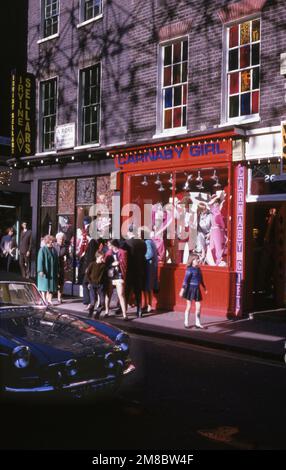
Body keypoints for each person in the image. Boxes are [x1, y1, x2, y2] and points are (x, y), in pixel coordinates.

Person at [179, 254, 207, 329]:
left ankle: (197, 323)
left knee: (199, 306)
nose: (198, 260)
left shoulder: (198, 269)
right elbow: (185, 281)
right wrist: (182, 290)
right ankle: (186, 322)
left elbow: (201, 279)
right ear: (192, 261)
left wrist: (204, 288)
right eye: (196, 259)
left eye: (198, 259)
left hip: (197, 289)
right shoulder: (189, 270)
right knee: (189, 306)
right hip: (190, 289)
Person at [125, 226, 147, 318]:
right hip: (139, 269)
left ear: (130, 232)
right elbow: (144, 255)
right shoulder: (142, 243)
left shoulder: (127, 243)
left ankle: (124, 309)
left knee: (127, 291)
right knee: (138, 291)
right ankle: (139, 310)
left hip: (129, 270)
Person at [105, 239, 128, 320]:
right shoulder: (108, 253)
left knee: (121, 294)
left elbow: (125, 264)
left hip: (119, 275)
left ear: (113, 245)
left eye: (109, 245)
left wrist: (119, 262)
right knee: (108, 294)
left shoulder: (122, 252)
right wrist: (112, 264)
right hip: (110, 276)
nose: (108, 246)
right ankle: (106, 311)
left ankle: (125, 315)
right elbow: (106, 264)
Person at [140, 227, 158, 314]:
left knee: (148, 286)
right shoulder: (150, 241)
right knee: (146, 287)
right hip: (150, 267)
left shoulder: (147, 242)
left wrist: (141, 257)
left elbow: (149, 254)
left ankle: (149, 305)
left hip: (149, 267)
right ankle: (146, 304)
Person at [37, 235, 59, 305]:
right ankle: (43, 299)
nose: (52, 243)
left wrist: (58, 271)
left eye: (53, 242)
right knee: (44, 286)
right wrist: (40, 270)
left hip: (53, 271)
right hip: (45, 271)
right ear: (47, 242)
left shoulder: (54, 250)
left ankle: (49, 300)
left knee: (51, 286)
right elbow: (40, 260)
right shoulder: (42, 250)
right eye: (51, 242)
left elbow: (57, 261)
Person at [86, 250, 107, 318]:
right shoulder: (92, 264)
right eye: (101, 258)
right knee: (93, 301)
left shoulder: (103, 266)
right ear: (97, 257)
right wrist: (89, 282)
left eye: (103, 258)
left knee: (102, 302)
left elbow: (105, 275)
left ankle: (97, 314)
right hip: (92, 284)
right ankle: (90, 314)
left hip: (100, 285)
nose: (102, 259)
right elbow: (87, 273)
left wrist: (104, 284)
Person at [53, 232, 68, 304]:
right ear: (57, 239)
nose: (61, 240)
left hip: (62, 266)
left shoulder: (65, 247)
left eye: (62, 239)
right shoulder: (53, 246)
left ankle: (59, 298)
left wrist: (67, 264)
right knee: (53, 281)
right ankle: (50, 297)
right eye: (59, 239)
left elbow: (68, 257)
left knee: (61, 282)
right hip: (54, 266)